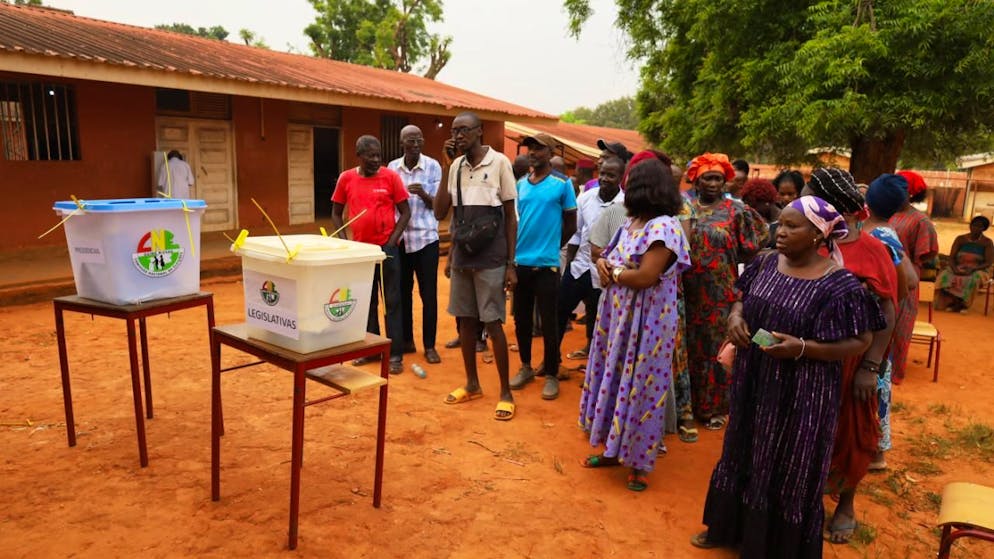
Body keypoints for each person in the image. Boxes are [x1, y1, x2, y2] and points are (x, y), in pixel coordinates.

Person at [692, 195, 884, 557]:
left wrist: (802, 348)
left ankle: (772, 547)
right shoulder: (765, 263)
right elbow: (740, 297)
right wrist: (735, 319)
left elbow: (862, 339)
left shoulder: (838, 285)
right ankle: (726, 527)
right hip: (755, 379)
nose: (780, 232)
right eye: (780, 223)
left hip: (804, 391)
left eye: (792, 226)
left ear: (818, 235)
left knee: (790, 460)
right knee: (742, 447)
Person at [578, 157, 690, 492]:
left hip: (647, 325)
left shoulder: (664, 227)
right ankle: (612, 449)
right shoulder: (631, 223)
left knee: (642, 386)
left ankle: (640, 464)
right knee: (613, 380)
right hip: (618, 319)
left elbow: (645, 277)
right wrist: (602, 264)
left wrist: (611, 271)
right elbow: (606, 256)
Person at [802, 168, 898, 544]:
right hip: (807, 356)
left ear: (832, 206)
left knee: (851, 431)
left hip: (853, 362)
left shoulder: (873, 250)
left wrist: (870, 367)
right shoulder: (810, 243)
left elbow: (887, 314)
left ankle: (845, 502)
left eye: (811, 196)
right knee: (808, 430)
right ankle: (807, 498)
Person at [434, 112, 518, 421]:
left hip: (492, 257)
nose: (459, 135)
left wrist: (511, 263)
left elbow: (510, 216)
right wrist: (446, 166)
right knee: (465, 322)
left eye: (465, 130)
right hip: (464, 257)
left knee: (493, 323)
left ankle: (505, 392)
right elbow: (442, 212)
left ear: (480, 131)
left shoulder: (499, 164)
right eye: (455, 130)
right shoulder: (455, 167)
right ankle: (472, 383)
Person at [682, 152, 768, 430]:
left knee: (716, 347)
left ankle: (716, 406)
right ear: (696, 179)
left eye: (719, 178)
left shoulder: (737, 211)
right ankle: (687, 405)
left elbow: (752, 249)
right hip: (685, 288)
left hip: (720, 292)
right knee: (688, 344)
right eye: (708, 177)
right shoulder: (684, 207)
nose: (713, 183)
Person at [332, 135, 411, 373]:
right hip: (360, 253)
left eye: (379, 155)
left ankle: (395, 353)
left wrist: (392, 241)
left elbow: (405, 212)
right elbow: (336, 213)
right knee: (367, 302)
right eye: (371, 156)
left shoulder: (391, 177)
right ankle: (371, 350)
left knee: (393, 301)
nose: (376, 160)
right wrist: (346, 245)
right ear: (359, 155)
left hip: (387, 251)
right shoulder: (347, 178)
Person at [507, 133, 577, 400]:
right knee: (521, 319)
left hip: (547, 265)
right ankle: (525, 366)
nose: (532, 153)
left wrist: (553, 245)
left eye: (538, 149)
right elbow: (515, 222)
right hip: (521, 262)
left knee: (549, 322)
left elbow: (571, 222)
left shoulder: (562, 184)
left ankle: (550, 373)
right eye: (530, 148)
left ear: (550, 152)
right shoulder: (521, 184)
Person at [864, 173, 919, 472]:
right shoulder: (887, 232)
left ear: (867, 200)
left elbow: (908, 280)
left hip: (875, 321)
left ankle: (875, 452)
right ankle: (875, 449)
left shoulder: (880, 235)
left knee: (875, 381)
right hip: (882, 318)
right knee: (879, 382)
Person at [557, 157, 624, 365]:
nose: (604, 179)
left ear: (621, 178)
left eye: (610, 175)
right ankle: (552, 361)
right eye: (602, 173)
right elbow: (575, 233)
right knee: (559, 311)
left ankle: (594, 367)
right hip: (580, 267)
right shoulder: (586, 197)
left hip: (605, 273)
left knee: (599, 320)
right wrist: (569, 265)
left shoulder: (625, 205)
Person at [387, 125, 443, 364]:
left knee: (428, 294)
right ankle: (407, 341)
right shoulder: (392, 168)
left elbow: (439, 206)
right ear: (402, 143)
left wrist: (423, 194)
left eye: (419, 140)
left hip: (426, 239)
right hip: (401, 239)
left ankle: (429, 346)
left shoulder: (433, 166)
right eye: (411, 140)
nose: (416, 144)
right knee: (402, 293)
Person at [888, 170, 938, 384]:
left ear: (911, 193)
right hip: (880, 276)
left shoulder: (920, 221)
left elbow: (927, 254)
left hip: (906, 280)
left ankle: (894, 372)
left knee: (900, 326)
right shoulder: (881, 213)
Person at [936, 215, 994, 312]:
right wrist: (954, 268)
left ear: (984, 229)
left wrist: (973, 269)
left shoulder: (987, 242)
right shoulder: (960, 239)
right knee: (944, 277)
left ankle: (963, 305)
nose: (976, 228)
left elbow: (988, 262)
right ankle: (955, 302)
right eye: (974, 225)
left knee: (974, 279)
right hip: (959, 266)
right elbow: (952, 257)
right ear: (970, 226)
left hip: (979, 269)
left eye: (980, 226)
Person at [740, 178, 780, 248]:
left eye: (753, 206)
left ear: (766, 202)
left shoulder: (784, 221)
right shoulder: (756, 221)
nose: (750, 210)